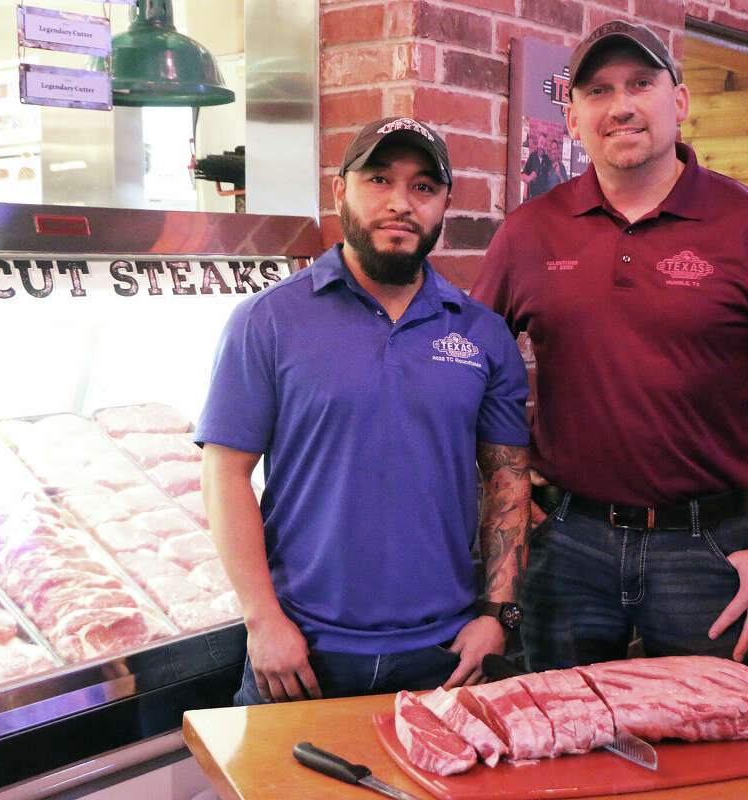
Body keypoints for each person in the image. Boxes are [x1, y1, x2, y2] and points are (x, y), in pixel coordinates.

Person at [470, 21, 748, 688]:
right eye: (598, 90)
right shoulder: (529, 232)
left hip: (708, 549)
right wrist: (501, 493)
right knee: (562, 752)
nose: (620, 105)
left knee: (719, 752)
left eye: (641, 84)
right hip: (567, 544)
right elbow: (465, 377)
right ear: (575, 116)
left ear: (678, 102)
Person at [198, 116, 531, 704]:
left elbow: (507, 476)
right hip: (301, 652)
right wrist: (262, 620)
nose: (401, 203)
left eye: (423, 187)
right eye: (379, 179)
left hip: (445, 656)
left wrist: (497, 615)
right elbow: (224, 473)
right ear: (340, 191)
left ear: (444, 204)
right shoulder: (269, 320)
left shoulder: (482, 332)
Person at [522, 132, 555, 200]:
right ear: (538, 143)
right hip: (532, 198)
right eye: (541, 143)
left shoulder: (547, 160)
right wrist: (530, 177)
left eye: (545, 145)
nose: (542, 147)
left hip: (543, 199)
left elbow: (551, 178)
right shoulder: (532, 157)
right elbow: (522, 176)